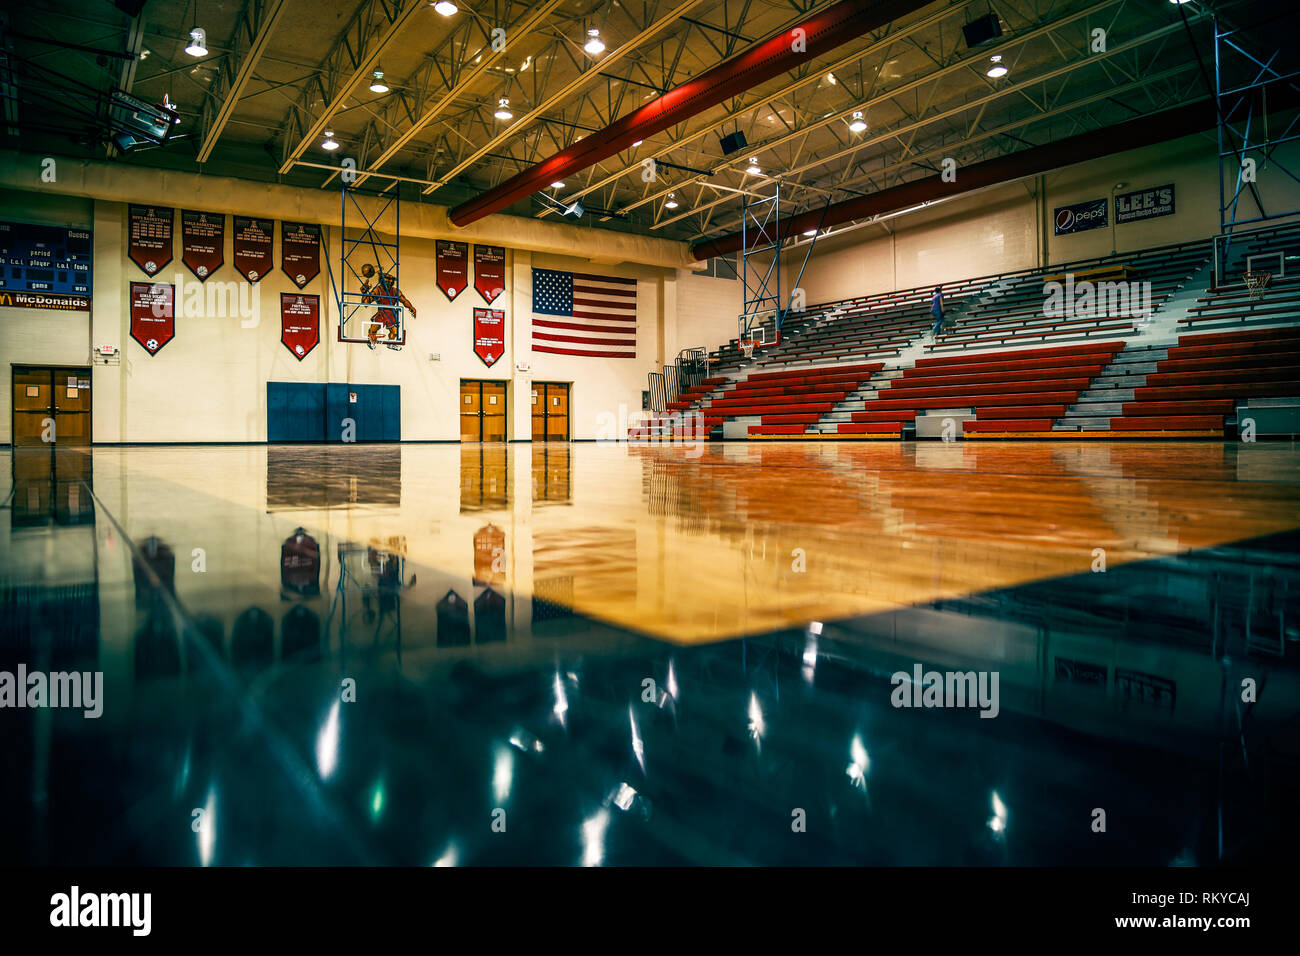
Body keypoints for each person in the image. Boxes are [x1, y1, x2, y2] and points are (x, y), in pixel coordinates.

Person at [360, 263, 417, 350]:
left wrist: (411, 307)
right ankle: (371, 341)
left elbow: (404, 300)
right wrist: (364, 293)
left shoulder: (395, 291)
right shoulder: (378, 289)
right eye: (387, 280)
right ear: (382, 280)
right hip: (382, 312)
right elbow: (366, 303)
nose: (390, 282)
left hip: (391, 313)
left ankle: (391, 343)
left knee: (394, 331)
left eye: (391, 280)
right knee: (373, 328)